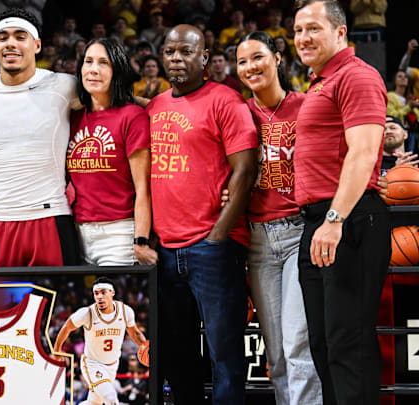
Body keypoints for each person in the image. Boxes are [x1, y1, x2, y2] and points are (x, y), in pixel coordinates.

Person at [146, 24, 258, 404]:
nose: (176, 59)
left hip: (212, 249)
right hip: (164, 250)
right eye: (170, 52)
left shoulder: (226, 101)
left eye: (186, 52)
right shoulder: (155, 106)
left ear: (204, 57)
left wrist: (219, 234)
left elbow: (245, 169)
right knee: (178, 356)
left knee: (224, 354)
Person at [292, 1, 390, 403]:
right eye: (298, 30)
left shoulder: (357, 76)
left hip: (345, 221)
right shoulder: (319, 83)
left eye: (313, 28)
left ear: (340, 32)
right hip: (319, 222)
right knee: (325, 346)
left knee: (348, 345)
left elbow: (364, 153)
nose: (303, 38)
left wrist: (334, 219)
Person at [235, 30, 322, 405]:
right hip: (256, 239)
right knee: (276, 352)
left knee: (296, 341)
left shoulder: (308, 105)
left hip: (299, 230)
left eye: (258, 57)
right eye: (242, 61)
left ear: (277, 58)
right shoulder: (237, 112)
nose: (250, 67)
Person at [0, 8, 81, 267]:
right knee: (1, 307)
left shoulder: (65, 85)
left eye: (20, 36)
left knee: (58, 306)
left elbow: (116, 103)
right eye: (3, 37)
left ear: (37, 45)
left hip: (51, 217)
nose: (10, 43)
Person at [69, 38, 157, 266]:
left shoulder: (132, 116)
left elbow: (143, 187)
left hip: (119, 233)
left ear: (116, 70)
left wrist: (141, 239)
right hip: (78, 232)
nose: (94, 70)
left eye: (103, 63)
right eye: (88, 62)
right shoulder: (74, 117)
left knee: (112, 299)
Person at [53, 277, 147, 405]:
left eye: (103, 292)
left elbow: (134, 332)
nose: (99, 297)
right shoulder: (86, 313)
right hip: (92, 364)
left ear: (112, 293)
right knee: (111, 398)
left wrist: (146, 348)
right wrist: (57, 349)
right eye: (96, 293)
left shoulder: (126, 312)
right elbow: (66, 328)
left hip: (112, 365)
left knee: (94, 402)